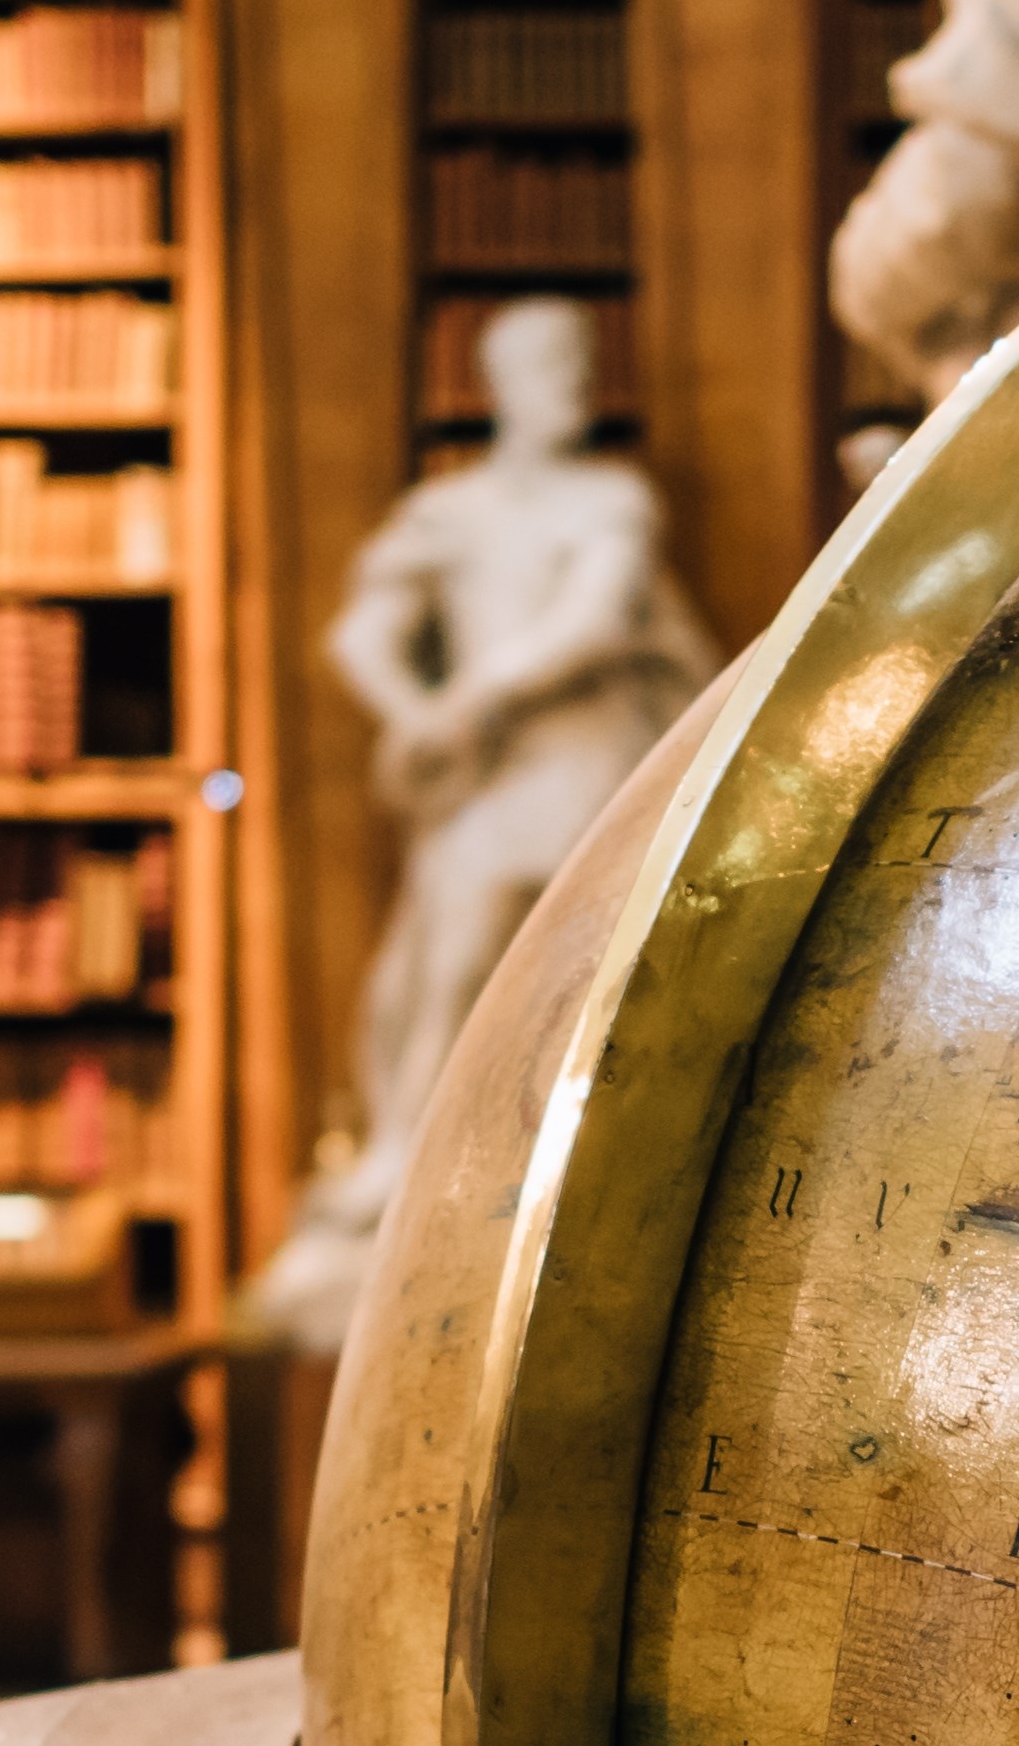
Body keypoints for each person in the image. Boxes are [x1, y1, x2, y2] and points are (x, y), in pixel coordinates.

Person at [242, 294, 713, 1352]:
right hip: (486, 776)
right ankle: (407, 1156)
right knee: (451, 961)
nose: (573, 389)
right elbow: (359, 633)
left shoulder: (611, 498)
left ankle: (588, 1163)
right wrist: (414, 714)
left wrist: (466, 705)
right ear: (498, 385)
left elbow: (596, 619)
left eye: (583, 368)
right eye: (550, 368)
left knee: (588, 964)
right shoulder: (450, 513)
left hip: (580, 758)